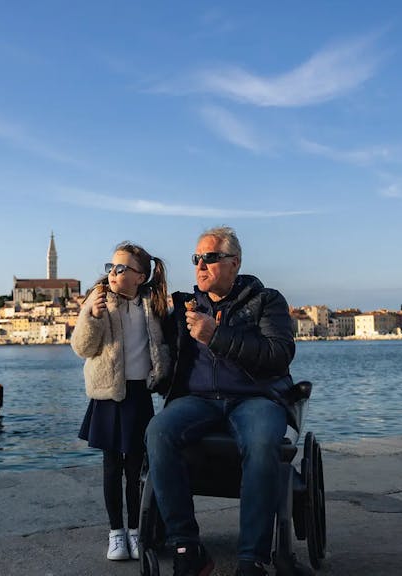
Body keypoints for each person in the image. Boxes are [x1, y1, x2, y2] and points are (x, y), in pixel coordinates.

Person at [146, 226, 296, 576]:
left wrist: (217, 337)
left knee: (261, 444)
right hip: (198, 400)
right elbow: (143, 327)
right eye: (196, 258)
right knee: (158, 432)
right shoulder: (185, 305)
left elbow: (280, 354)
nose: (201, 265)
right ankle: (187, 547)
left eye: (210, 258)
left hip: (256, 399)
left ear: (234, 263)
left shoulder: (267, 300)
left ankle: (252, 559)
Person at [71, 242, 172, 562]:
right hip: (108, 394)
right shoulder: (98, 301)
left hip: (139, 394)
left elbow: (163, 345)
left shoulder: (150, 305)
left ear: (140, 276)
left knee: (136, 468)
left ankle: (135, 530)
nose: (112, 274)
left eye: (121, 268)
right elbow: (82, 348)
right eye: (110, 268)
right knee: (112, 466)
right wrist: (93, 315)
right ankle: (116, 533)